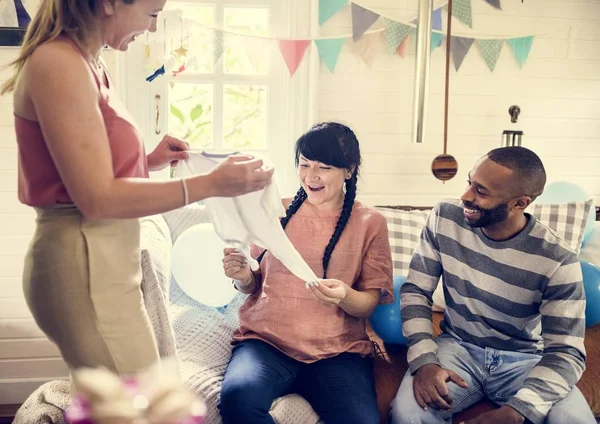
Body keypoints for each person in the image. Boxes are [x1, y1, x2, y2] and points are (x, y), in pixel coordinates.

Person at [1, 0, 273, 379]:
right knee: (138, 407)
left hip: (107, 266)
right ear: (110, 4)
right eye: (152, 14)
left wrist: (147, 161)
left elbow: (88, 172)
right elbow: (95, 198)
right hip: (83, 263)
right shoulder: (58, 64)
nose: (152, 28)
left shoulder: (91, 63)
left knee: (135, 405)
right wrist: (212, 183)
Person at [390, 146, 594, 424]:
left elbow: (565, 351)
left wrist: (518, 411)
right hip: (457, 346)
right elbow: (415, 291)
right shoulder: (444, 218)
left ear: (519, 203)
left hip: (524, 359)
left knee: (575, 420)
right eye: (469, 182)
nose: (465, 196)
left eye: (481, 191)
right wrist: (425, 362)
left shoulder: (557, 259)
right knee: (407, 414)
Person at [219, 122, 394, 424]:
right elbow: (252, 284)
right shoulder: (275, 210)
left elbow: (368, 303)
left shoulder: (370, 222)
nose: (310, 177)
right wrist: (242, 276)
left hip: (339, 353)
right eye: (304, 164)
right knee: (238, 400)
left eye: (324, 167)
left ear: (349, 171)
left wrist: (343, 296)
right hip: (267, 344)